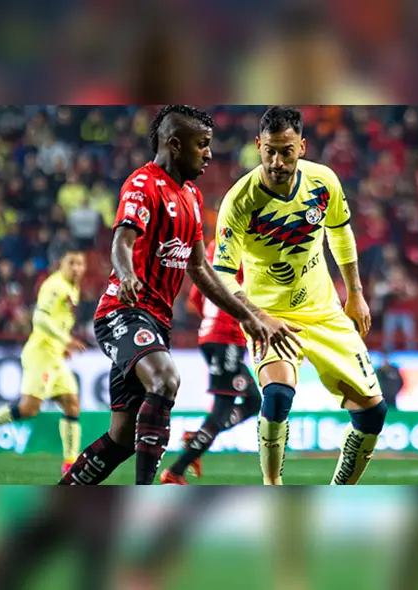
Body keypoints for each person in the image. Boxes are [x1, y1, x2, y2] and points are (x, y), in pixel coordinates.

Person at [59, 105, 292, 486]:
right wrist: (127, 273)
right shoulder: (141, 184)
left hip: (157, 322)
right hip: (123, 311)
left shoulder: (192, 197)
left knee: (122, 439)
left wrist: (248, 315)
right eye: (201, 145)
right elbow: (122, 239)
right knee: (166, 379)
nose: (209, 154)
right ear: (174, 144)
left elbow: (201, 270)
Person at [213, 106, 387, 485]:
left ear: (302, 147)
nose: (277, 161)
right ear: (258, 146)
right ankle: (272, 485)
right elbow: (222, 275)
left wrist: (355, 293)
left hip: (324, 311)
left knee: (374, 414)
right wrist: (257, 318)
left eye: (286, 151)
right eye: (269, 151)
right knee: (276, 396)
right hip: (269, 315)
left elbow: (340, 232)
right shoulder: (239, 201)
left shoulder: (323, 182)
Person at [0, 249, 88, 474]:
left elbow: (59, 320)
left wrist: (61, 346)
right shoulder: (55, 286)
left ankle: (69, 463)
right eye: (71, 263)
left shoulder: (72, 288)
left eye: (80, 264)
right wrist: (65, 340)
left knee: (72, 403)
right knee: (28, 408)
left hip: (55, 355)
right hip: (41, 354)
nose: (76, 268)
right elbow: (39, 317)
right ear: (61, 264)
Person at [159, 241, 263, 485]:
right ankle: (176, 471)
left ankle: (197, 437)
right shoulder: (243, 249)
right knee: (223, 408)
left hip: (212, 336)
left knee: (253, 401)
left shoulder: (211, 248)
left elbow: (195, 296)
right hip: (226, 336)